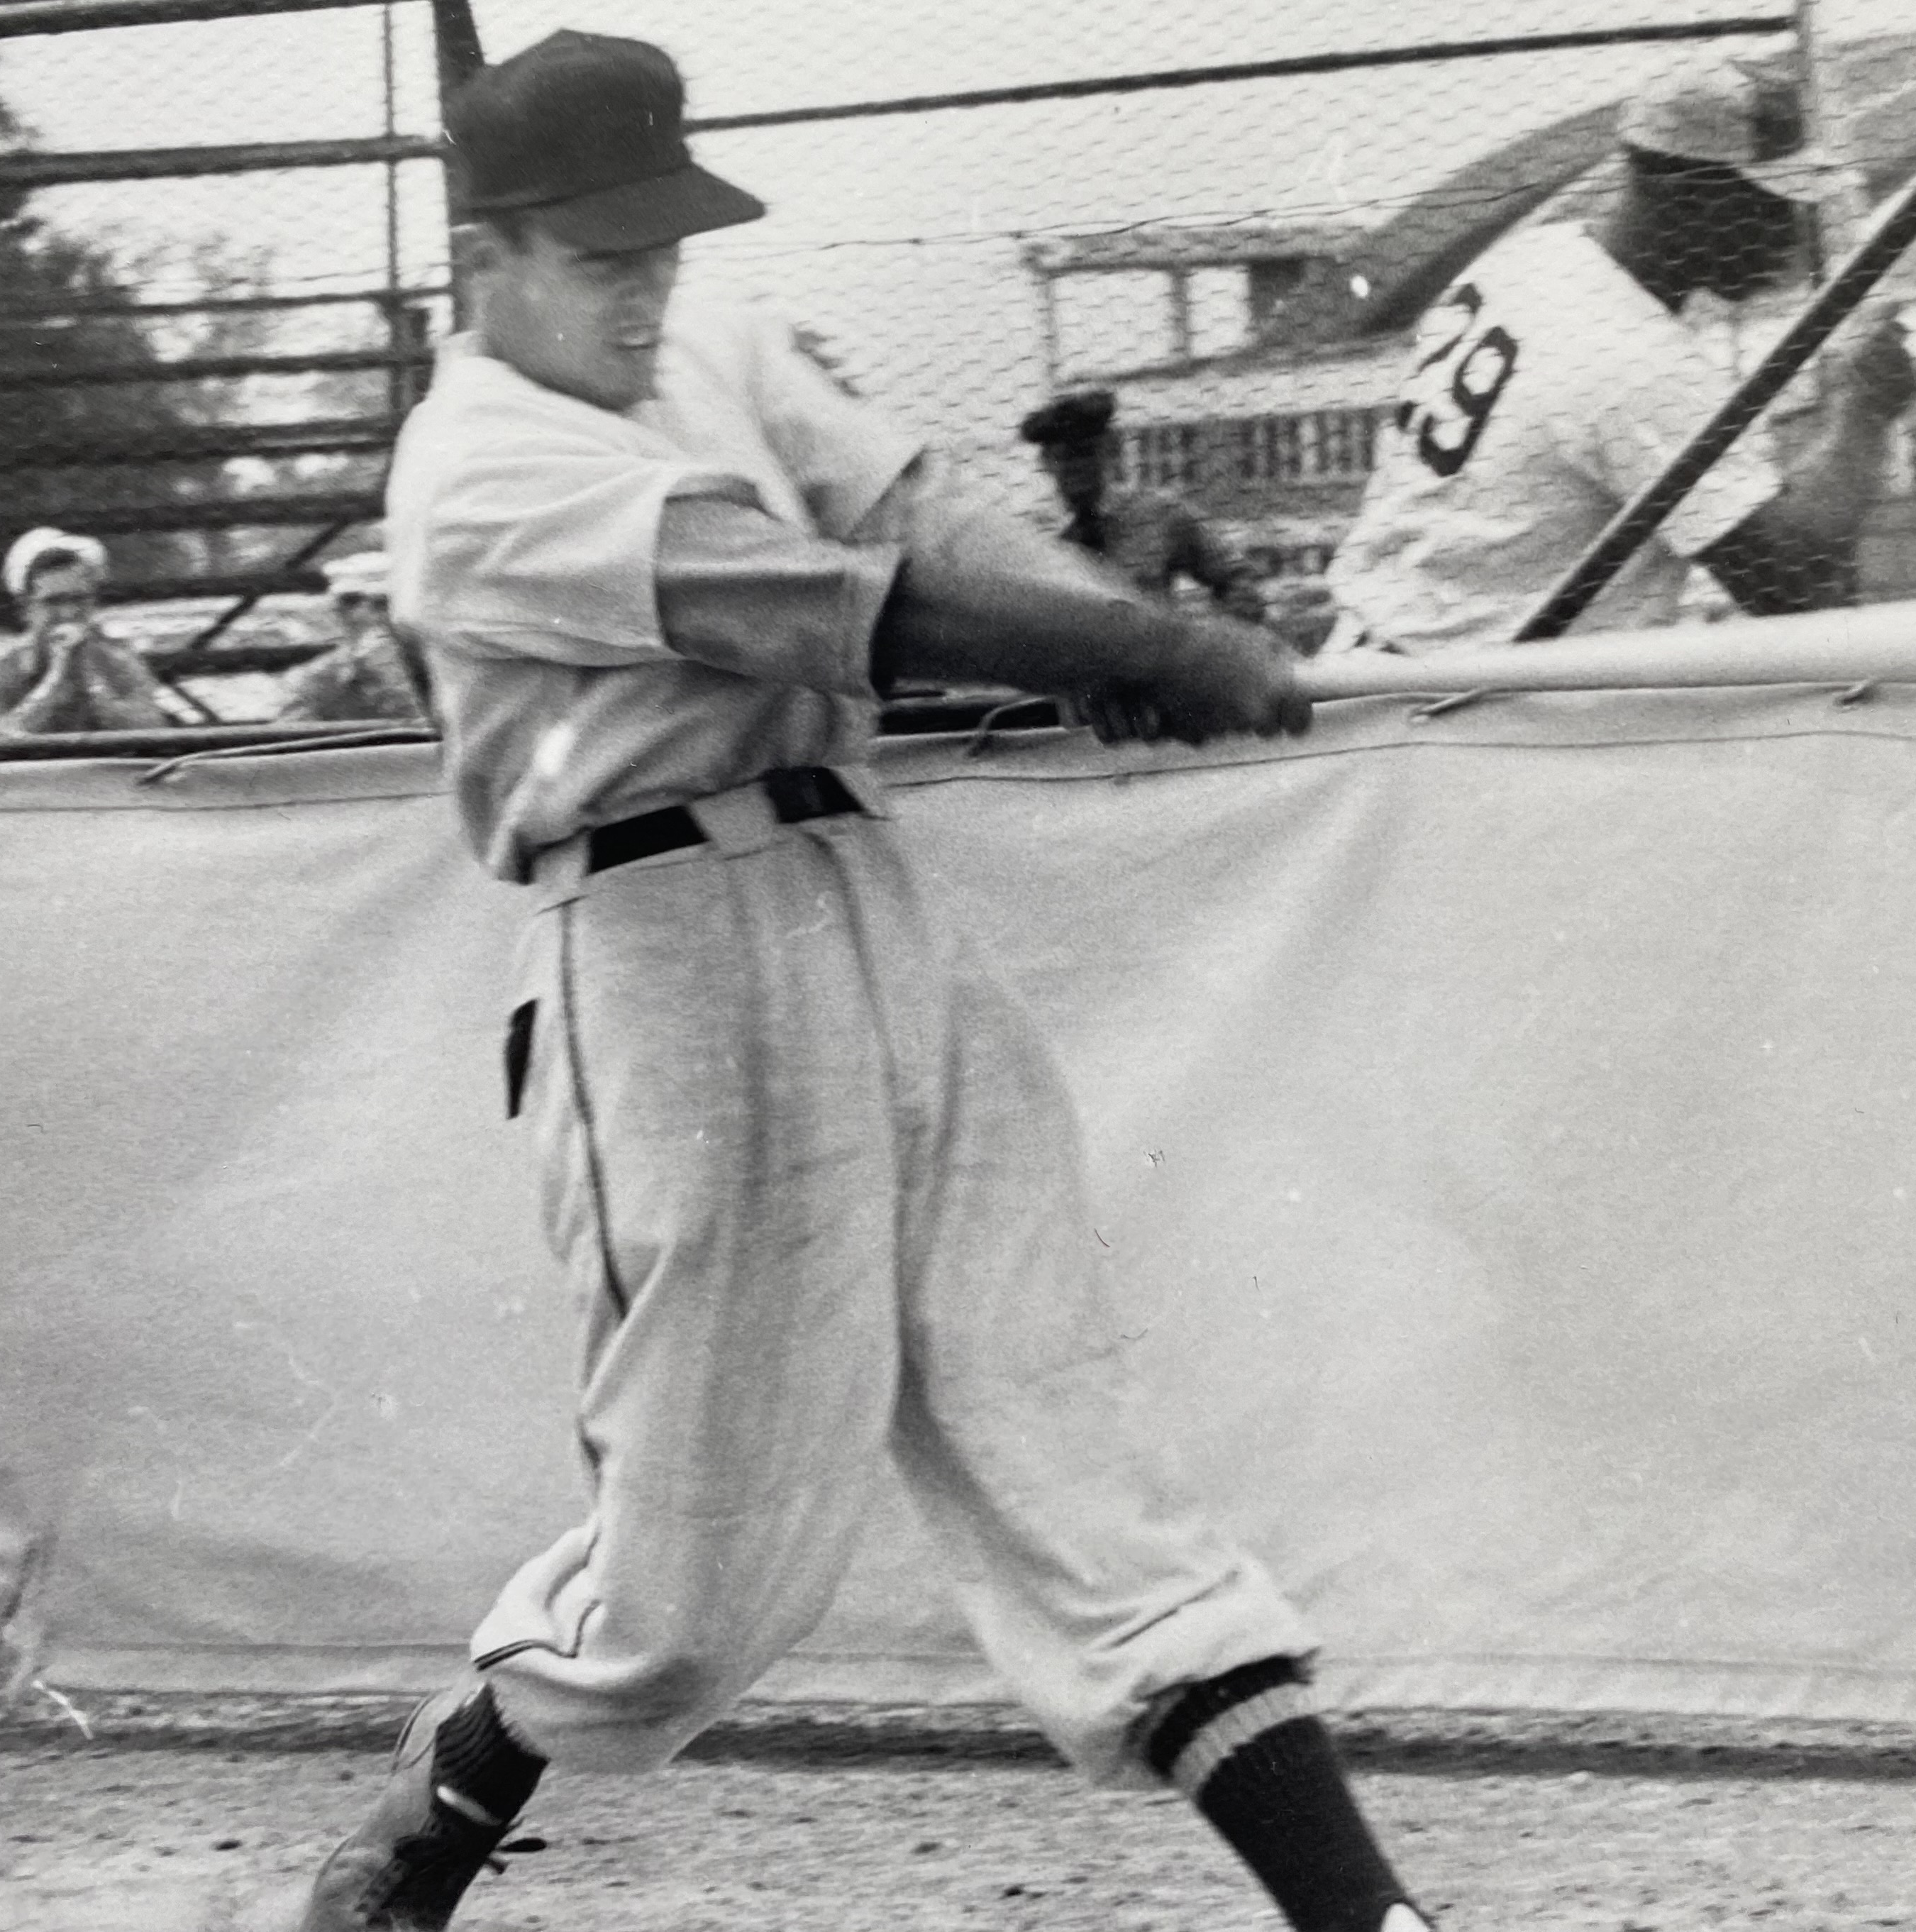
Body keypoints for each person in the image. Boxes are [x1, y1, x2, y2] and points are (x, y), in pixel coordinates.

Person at [295, 31, 1435, 1932]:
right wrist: (1140, 642)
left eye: (662, 246)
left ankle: (1368, 1917)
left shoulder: (702, 340)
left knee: (1059, 1413)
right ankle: (436, 1811)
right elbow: (841, 607)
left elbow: (917, 517)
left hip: (864, 888)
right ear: (481, 259)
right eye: (602, 259)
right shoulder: (476, 473)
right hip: (662, 953)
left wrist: (1104, 632)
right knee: (689, 1593)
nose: (648, 292)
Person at [1322, 43, 1916, 653]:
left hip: (1374, 664)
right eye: (1767, 200)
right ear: (1686, 195)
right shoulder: (1640, 362)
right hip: (1464, 706)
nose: (1790, 227)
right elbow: (1789, 587)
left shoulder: (1532, 259)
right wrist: (1865, 415)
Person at [1019, 387, 1269, 622]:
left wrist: (1235, 609)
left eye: (1086, 452)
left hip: (1153, 663)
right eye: (1064, 457)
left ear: (1109, 450)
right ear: (1046, 462)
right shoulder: (1032, 538)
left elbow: (1235, 576)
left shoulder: (1159, 514)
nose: (1076, 467)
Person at [0, 527, 179, 734]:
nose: (68, 613)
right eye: (53, 602)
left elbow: (152, 729)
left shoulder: (120, 663)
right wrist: (56, 684)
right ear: (26, 609)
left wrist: (90, 683)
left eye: (79, 599)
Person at [275, 551, 433, 724]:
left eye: (383, 603)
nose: (362, 615)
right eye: (350, 603)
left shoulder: (449, 671)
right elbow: (287, 741)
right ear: (337, 612)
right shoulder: (318, 681)